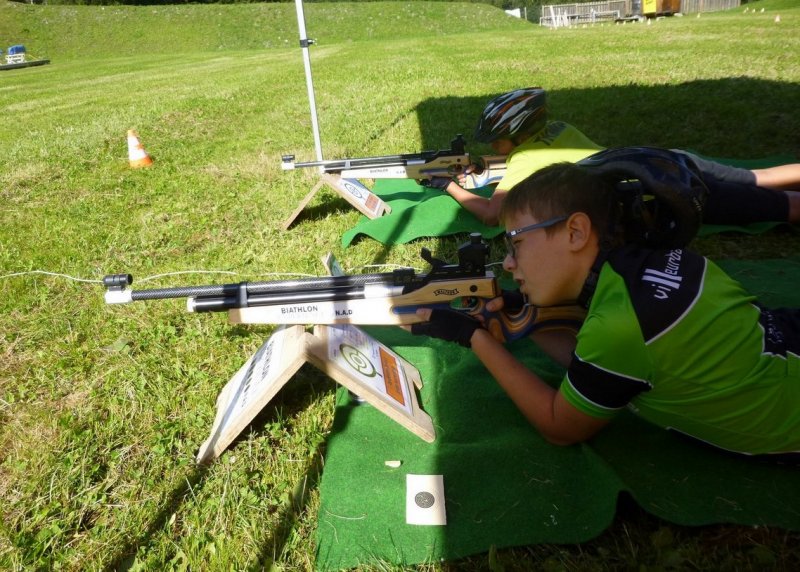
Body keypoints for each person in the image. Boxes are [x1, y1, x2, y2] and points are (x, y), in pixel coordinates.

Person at [412, 161, 800, 459]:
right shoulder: (657, 264)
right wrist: (525, 313)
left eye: (516, 243)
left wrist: (474, 336)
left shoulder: (618, 327)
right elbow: (601, 369)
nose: (510, 264)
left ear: (576, 233)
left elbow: (559, 426)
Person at [423, 87, 800, 228]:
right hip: (665, 159)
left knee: (781, 207)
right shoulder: (559, 129)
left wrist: (452, 187)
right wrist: (486, 167)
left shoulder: (524, 161)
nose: (492, 148)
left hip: (661, 190)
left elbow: (492, 215)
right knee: (760, 177)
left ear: (515, 135)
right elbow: (529, 161)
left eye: (497, 141)